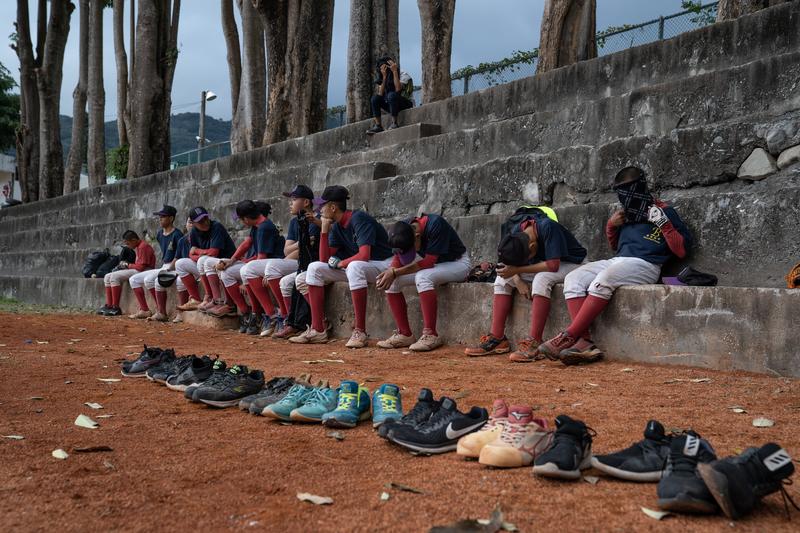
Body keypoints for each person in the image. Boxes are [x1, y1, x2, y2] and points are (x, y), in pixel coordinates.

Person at [538, 166, 692, 363]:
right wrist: (611, 225)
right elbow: (615, 247)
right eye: (622, 191)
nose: (627, 196)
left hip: (647, 264)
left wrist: (663, 223)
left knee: (603, 280)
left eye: (629, 189)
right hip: (619, 260)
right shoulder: (626, 215)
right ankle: (584, 343)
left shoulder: (665, 212)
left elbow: (681, 250)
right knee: (573, 278)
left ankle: (567, 336)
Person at [465, 209, 588, 362]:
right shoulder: (517, 232)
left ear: (531, 247)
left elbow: (553, 265)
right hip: (546, 265)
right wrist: (517, 280)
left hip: (573, 263)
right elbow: (507, 265)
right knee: (502, 279)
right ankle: (497, 339)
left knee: (541, 279)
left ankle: (535, 341)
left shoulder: (548, 227)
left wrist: (518, 270)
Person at [289, 185, 393, 348]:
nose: (319, 209)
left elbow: (364, 254)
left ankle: (360, 331)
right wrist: (324, 230)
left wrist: (342, 263)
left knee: (354, 266)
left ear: (333, 207)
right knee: (314, 268)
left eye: (322, 205)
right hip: (360, 266)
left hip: (383, 264)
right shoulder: (336, 226)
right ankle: (318, 329)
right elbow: (323, 260)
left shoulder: (359, 218)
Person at [375, 215, 471, 352]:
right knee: (391, 281)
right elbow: (398, 258)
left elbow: (428, 262)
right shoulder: (404, 227)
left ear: (417, 236)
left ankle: (430, 334)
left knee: (422, 276)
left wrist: (396, 272)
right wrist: (391, 271)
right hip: (437, 266)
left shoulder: (435, 224)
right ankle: (404, 334)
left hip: (458, 264)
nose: (410, 253)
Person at [259, 185, 321, 339]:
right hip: (300, 262)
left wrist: (299, 245)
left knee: (274, 268)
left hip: (313, 262)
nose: (290, 203)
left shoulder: (314, 220)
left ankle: (317, 323)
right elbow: (288, 250)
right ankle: (290, 321)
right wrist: (301, 243)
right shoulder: (295, 222)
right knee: (285, 282)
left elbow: (306, 249)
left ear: (306, 202)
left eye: (294, 199)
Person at [215, 200, 284, 330]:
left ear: (246, 219)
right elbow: (247, 244)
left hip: (274, 264)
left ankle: (270, 314)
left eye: (241, 219)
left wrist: (245, 282)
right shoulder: (257, 226)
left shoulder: (264, 227)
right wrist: (232, 260)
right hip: (263, 264)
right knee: (226, 271)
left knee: (247, 270)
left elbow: (261, 258)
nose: (242, 222)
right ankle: (247, 312)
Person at [175, 207, 237, 312]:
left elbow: (214, 252)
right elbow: (190, 255)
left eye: (205, 218)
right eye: (200, 221)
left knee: (204, 260)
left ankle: (214, 299)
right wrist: (201, 254)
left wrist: (198, 251)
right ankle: (196, 299)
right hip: (207, 266)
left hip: (225, 262)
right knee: (180, 263)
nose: (204, 222)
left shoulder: (216, 227)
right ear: (193, 223)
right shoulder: (194, 231)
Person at [127, 205, 183, 319]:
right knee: (134, 279)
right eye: (160, 217)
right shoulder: (159, 234)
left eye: (163, 217)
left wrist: (170, 267)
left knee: (149, 279)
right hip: (165, 265)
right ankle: (145, 310)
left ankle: (161, 312)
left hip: (176, 265)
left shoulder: (178, 234)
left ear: (171, 218)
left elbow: (179, 255)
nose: (160, 219)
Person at [98, 230, 156, 316]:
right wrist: (127, 265)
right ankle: (109, 305)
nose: (128, 246)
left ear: (133, 240)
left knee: (114, 276)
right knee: (107, 276)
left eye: (128, 243)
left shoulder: (143, 247)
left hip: (145, 270)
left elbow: (141, 267)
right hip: (138, 270)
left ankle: (115, 307)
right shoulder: (139, 246)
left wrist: (127, 265)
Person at [150, 217, 194, 322]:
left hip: (196, 268)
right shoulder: (183, 240)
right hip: (182, 267)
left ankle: (181, 313)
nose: (191, 225)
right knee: (158, 281)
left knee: (180, 280)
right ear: (186, 224)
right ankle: (161, 312)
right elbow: (177, 257)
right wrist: (169, 270)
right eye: (189, 222)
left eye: (193, 222)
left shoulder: (203, 237)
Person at [367, 56, 414, 135]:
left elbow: (398, 90)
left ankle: (394, 123)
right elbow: (380, 94)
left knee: (391, 95)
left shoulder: (403, 74)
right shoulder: (384, 76)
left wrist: (394, 71)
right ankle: (378, 125)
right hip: (391, 104)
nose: (385, 70)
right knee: (374, 99)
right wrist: (384, 77)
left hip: (405, 103)